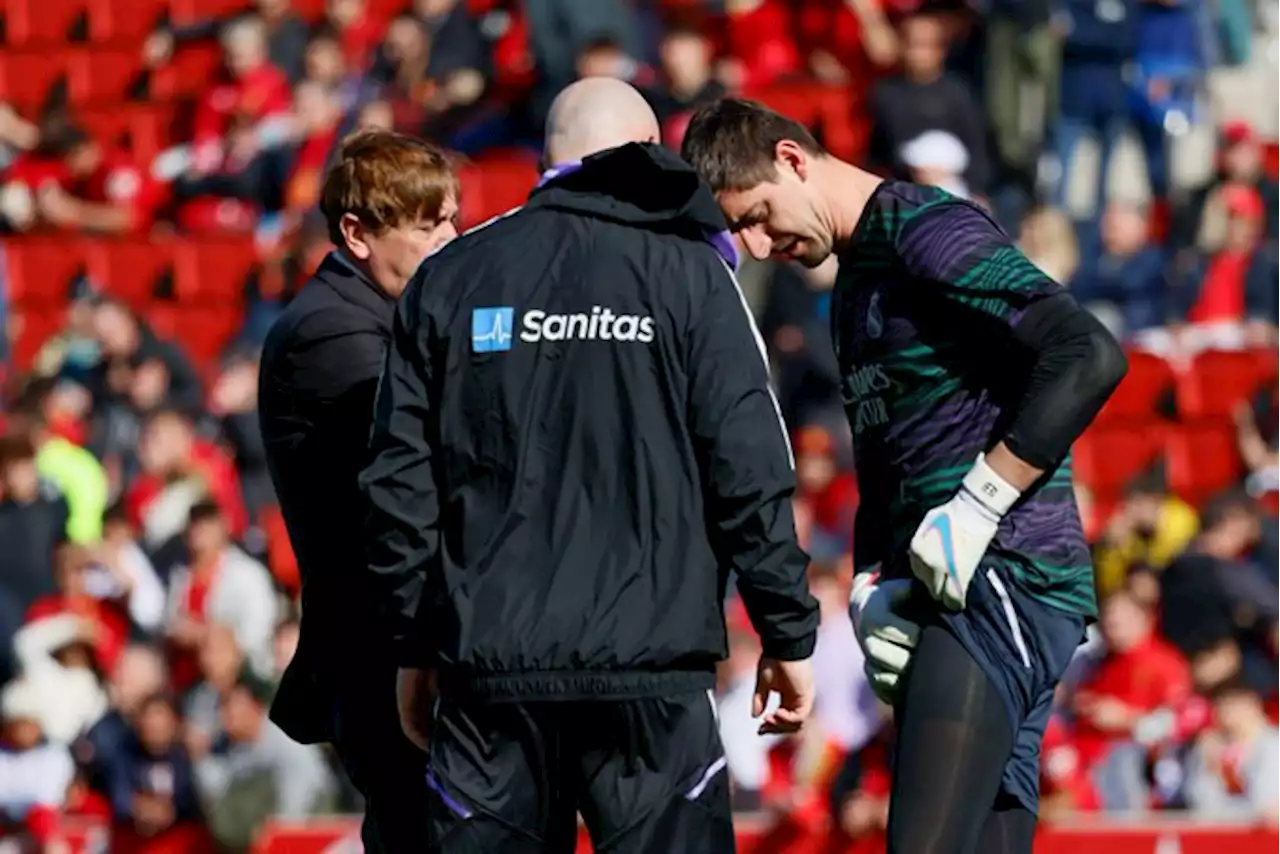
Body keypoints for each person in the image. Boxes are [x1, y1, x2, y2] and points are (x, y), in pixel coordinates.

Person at [361, 77, 820, 854]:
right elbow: (748, 464)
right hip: (651, 679)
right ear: (646, 154)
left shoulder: (452, 277)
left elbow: (399, 486)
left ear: (551, 160)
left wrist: (413, 644)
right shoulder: (693, 273)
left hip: (490, 679)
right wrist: (788, 632)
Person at [681, 98, 1128, 854]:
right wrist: (869, 582)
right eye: (740, 231)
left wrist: (982, 501)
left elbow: (1088, 354)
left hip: (1003, 574)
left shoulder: (926, 227)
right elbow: (887, 455)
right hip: (949, 585)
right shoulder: (855, 278)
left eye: (757, 214)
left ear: (792, 158)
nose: (757, 245)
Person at [256, 128, 459, 852]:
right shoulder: (330, 333)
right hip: (381, 657)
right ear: (358, 233)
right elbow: (426, 450)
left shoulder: (379, 316)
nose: (451, 238)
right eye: (429, 224)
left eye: (454, 219)